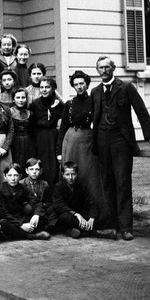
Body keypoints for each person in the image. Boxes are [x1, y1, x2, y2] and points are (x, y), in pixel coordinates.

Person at [90, 56, 150, 240]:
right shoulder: (95, 91)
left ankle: (126, 227)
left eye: (107, 67)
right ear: (97, 70)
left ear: (113, 68)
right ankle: (112, 225)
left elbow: (142, 111)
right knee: (107, 183)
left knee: (122, 183)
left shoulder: (126, 87)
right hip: (102, 141)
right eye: (101, 67)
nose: (104, 70)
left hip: (120, 141)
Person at [57, 70, 103, 216]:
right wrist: (59, 151)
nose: (79, 87)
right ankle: (70, 214)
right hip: (70, 141)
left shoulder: (93, 102)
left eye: (82, 83)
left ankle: (92, 214)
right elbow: (63, 127)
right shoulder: (69, 104)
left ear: (87, 84)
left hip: (87, 141)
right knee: (70, 173)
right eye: (76, 84)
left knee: (88, 174)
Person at [52, 161, 117, 240]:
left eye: (73, 174)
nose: (70, 177)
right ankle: (97, 233)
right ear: (62, 175)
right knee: (64, 217)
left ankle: (76, 231)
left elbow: (92, 203)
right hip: (69, 215)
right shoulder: (59, 186)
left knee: (101, 214)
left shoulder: (81, 186)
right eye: (67, 174)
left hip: (81, 216)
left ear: (77, 174)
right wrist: (76, 214)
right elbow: (58, 205)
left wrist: (91, 218)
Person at [0, 164, 51, 240]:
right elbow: (3, 212)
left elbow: (36, 202)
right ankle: (30, 236)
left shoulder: (22, 188)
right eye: (10, 175)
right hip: (10, 219)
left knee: (42, 218)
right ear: (5, 176)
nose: (13, 178)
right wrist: (21, 225)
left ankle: (18, 234)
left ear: (20, 176)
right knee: (2, 223)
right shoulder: (0, 190)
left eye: (16, 175)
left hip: (22, 217)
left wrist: (36, 215)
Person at [30, 76, 62, 188]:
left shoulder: (59, 104)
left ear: (53, 88)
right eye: (41, 87)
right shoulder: (35, 104)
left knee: (53, 167)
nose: (44, 89)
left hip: (53, 138)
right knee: (40, 165)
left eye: (47, 87)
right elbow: (32, 125)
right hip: (39, 138)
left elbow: (57, 122)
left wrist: (53, 108)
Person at [20, 158, 53, 230]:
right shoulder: (21, 184)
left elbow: (48, 201)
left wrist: (40, 210)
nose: (34, 172)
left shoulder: (45, 184)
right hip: (27, 211)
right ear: (26, 170)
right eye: (31, 169)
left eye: (37, 169)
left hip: (40, 211)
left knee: (52, 210)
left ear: (41, 171)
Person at [10, 88, 35, 167]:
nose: (21, 100)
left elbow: (33, 131)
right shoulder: (9, 112)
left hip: (28, 142)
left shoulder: (30, 113)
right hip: (15, 142)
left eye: (23, 97)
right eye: (18, 98)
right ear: (13, 99)